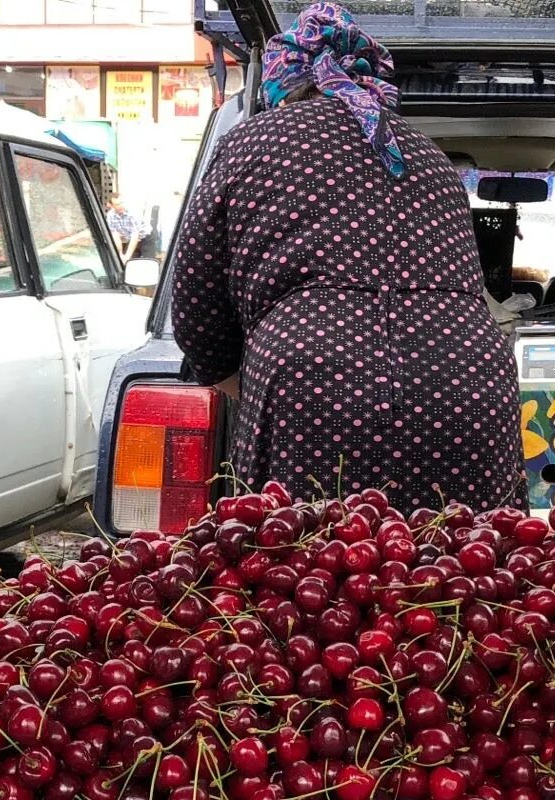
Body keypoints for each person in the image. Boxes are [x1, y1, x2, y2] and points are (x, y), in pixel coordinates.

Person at [169, 2, 520, 511]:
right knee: (461, 566)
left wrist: (261, 386)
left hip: (310, 379)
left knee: (311, 570)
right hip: (467, 380)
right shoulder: (429, 155)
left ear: (282, 80)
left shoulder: (250, 142)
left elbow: (197, 308)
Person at [104, 194, 147, 264]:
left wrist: (127, 256)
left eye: (122, 203)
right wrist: (120, 254)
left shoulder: (132, 213)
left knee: (148, 262)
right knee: (125, 263)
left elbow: (135, 235)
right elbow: (115, 235)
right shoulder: (110, 216)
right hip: (130, 239)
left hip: (146, 237)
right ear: (111, 206)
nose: (121, 206)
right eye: (117, 204)